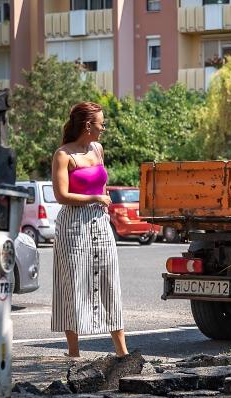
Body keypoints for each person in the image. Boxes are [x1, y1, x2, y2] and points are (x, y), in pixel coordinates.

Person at [51, 101, 127, 357]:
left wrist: (101, 200)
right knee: (73, 285)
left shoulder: (97, 148)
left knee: (110, 282)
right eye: (101, 124)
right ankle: (74, 352)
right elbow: (61, 196)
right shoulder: (63, 155)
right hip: (73, 225)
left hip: (100, 223)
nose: (103, 128)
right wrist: (95, 199)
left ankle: (122, 352)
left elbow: (102, 184)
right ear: (87, 125)